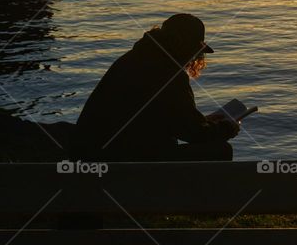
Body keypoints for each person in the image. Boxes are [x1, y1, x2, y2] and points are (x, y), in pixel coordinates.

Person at [71, 13, 240, 161]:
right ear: (183, 45)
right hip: (122, 157)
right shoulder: (168, 72)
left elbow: (169, 118)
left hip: (94, 149)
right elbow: (192, 134)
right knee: (220, 150)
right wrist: (226, 128)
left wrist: (203, 121)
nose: (195, 57)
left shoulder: (136, 57)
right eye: (195, 51)